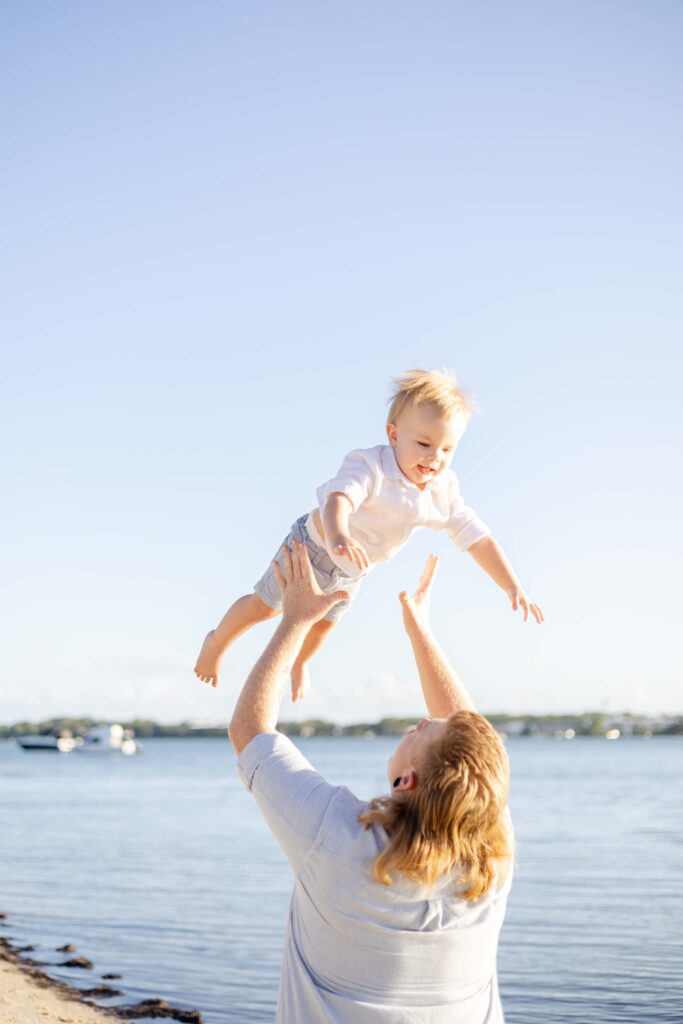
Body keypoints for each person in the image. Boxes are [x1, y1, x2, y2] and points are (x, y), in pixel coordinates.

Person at [229, 540, 514, 1023]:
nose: (422, 721)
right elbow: (469, 735)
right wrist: (420, 630)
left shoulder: (336, 836)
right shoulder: (492, 860)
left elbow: (251, 731)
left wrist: (296, 620)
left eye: (425, 731)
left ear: (406, 780)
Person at [196, 368, 543, 701]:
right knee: (265, 606)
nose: (434, 458)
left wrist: (511, 585)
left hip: (353, 569)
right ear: (393, 435)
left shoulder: (442, 489)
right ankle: (217, 642)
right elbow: (339, 499)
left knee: (322, 626)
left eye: (447, 449)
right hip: (314, 546)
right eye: (423, 443)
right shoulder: (370, 465)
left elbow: (476, 537)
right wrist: (338, 536)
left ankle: (300, 662)